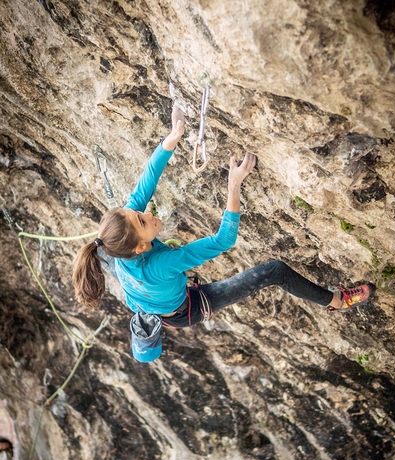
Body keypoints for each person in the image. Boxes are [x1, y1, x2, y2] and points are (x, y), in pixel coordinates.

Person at [73, 103, 371, 363]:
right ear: (138, 247)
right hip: (184, 308)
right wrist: (234, 184)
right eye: (142, 220)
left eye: (137, 213)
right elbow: (223, 240)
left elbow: (145, 185)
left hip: (145, 295)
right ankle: (337, 301)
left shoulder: (116, 244)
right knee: (274, 271)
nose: (148, 214)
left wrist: (172, 138)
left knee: (100, 250)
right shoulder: (161, 264)